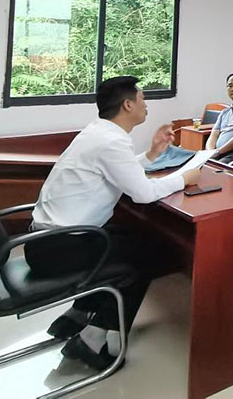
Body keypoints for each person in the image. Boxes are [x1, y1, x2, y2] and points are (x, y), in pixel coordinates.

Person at [25, 76, 202, 370]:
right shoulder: (111, 142)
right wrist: (184, 178)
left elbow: (118, 170)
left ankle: (80, 314)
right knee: (147, 256)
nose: (146, 105)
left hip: (44, 241)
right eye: (143, 98)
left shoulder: (98, 133)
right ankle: (92, 341)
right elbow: (143, 193)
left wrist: (152, 154)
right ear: (128, 104)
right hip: (59, 248)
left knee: (133, 237)